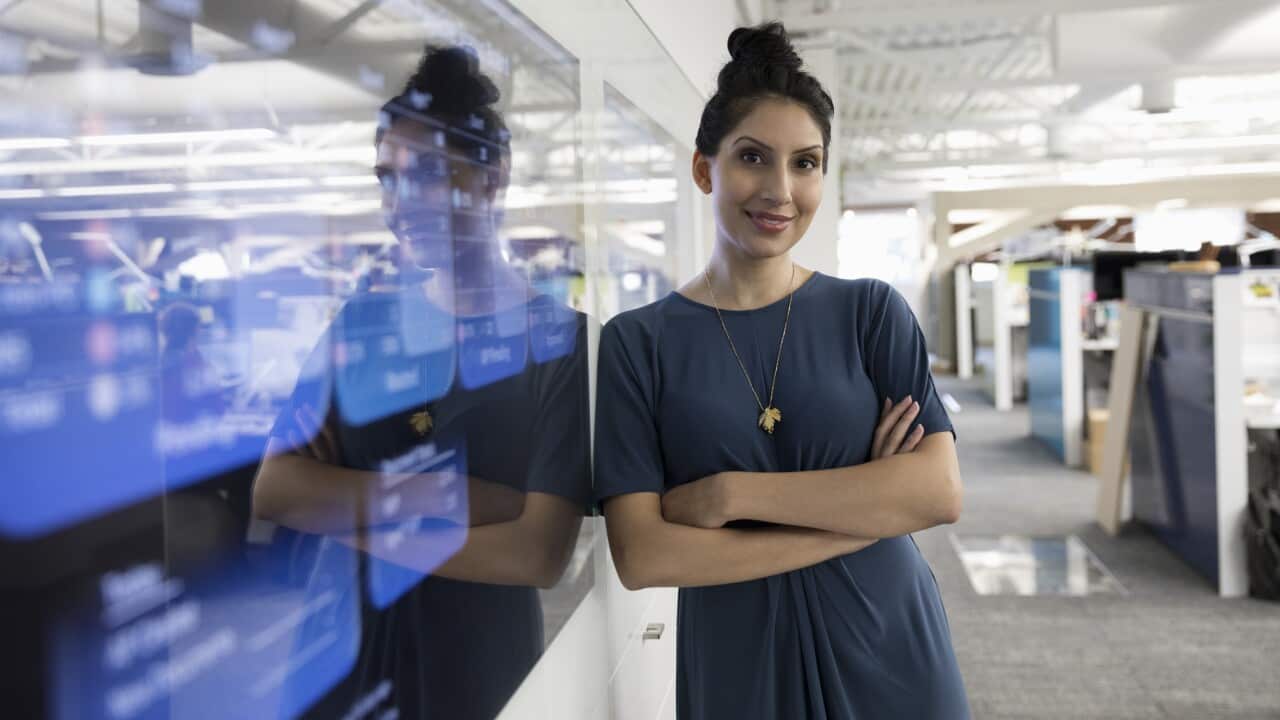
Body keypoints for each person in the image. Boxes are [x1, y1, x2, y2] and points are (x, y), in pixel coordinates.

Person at [593, 23, 970, 719]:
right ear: (705, 168)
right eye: (753, 158)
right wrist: (864, 514)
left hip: (890, 645)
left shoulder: (870, 313)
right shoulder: (636, 343)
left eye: (805, 162)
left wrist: (731, 495)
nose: (780, 189)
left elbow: (938, 492)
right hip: (739, 662)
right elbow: (643, 555)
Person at [251, 44, 590, 719]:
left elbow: (537, 552)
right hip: (341, 655)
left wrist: (346, 514)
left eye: (431, 173)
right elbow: (277, 489)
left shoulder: (563, 343)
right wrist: (459, 494)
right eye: (387, 177)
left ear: (494, 177)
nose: (401, 203)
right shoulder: (361, 325)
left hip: (480, 668)